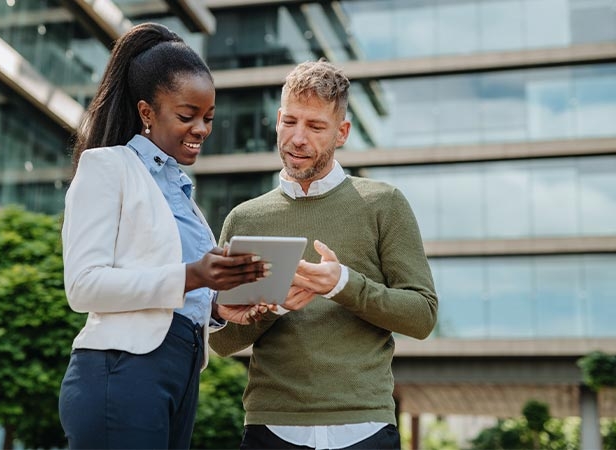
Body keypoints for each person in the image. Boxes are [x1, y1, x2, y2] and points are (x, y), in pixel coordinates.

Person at [58, 23, 271, 450]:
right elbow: (83, 287)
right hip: (123, 373)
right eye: (186, 115)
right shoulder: (108, 167)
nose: (201, 129)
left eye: (208, 118)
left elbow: (180, 293)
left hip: (180, 373)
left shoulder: (181, 192)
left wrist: (220, 306)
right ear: (147, 112)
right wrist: (194, 274)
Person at [209, 59, 439, 449]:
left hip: (364, 427)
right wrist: (275, 306)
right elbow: (223, 341)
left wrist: (343, 285)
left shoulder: (384, 204)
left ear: (342, 132)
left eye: (316, 127)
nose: (298, 138)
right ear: (278, 120)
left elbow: (422, 316)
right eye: (290, 122)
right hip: (270, 428)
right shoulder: (244, 219)